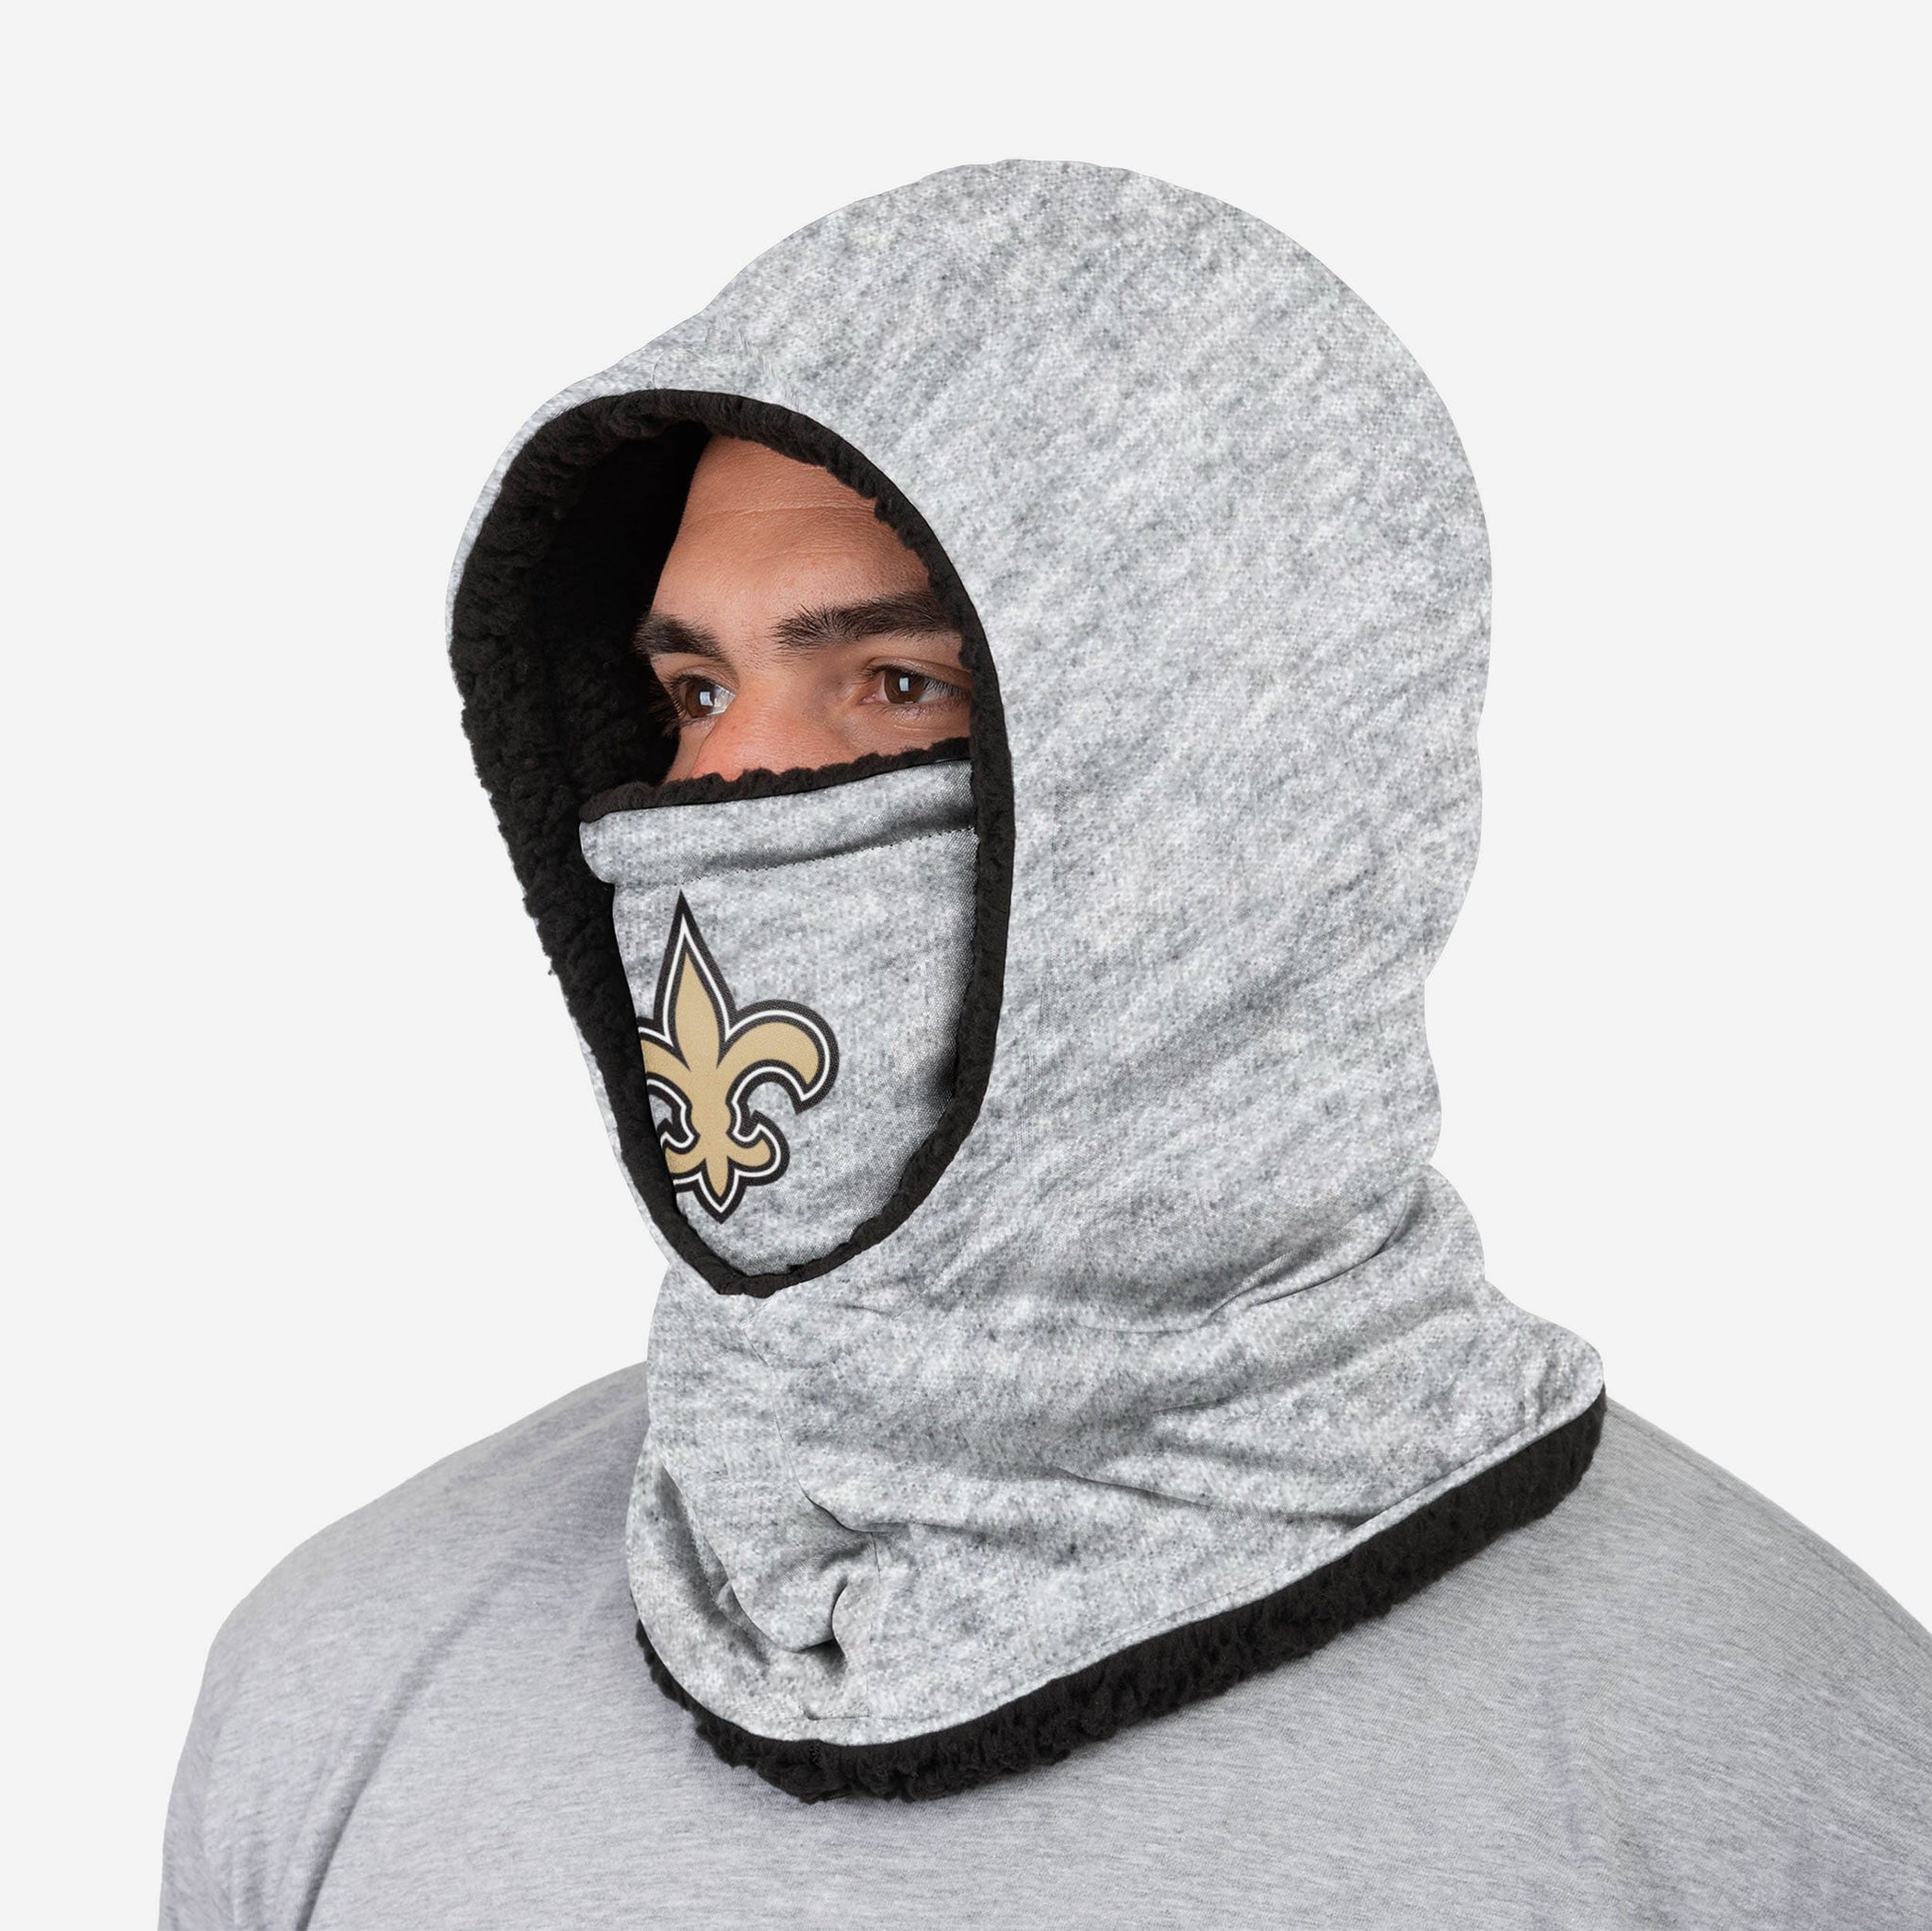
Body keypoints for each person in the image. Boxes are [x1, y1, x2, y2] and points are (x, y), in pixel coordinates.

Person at [162, 160, 1932, 1928]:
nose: (721, 803)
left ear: (1226, 781)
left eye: (897, 685)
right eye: (693, 695)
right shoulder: (347, 1676)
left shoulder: (1783, 1771)